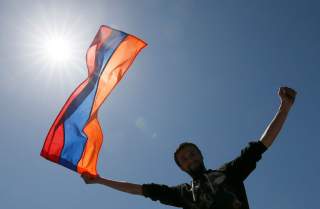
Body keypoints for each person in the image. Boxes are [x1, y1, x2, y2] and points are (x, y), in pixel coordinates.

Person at [81, 86, 297, 209]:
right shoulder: (182, 194)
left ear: (201, 155)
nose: (190, 159)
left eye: (192, 154)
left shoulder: (229, 172)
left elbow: (261, 145)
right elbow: (139, 189)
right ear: (181, 168)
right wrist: (100, 180)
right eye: (184, 159)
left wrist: (284, 108)